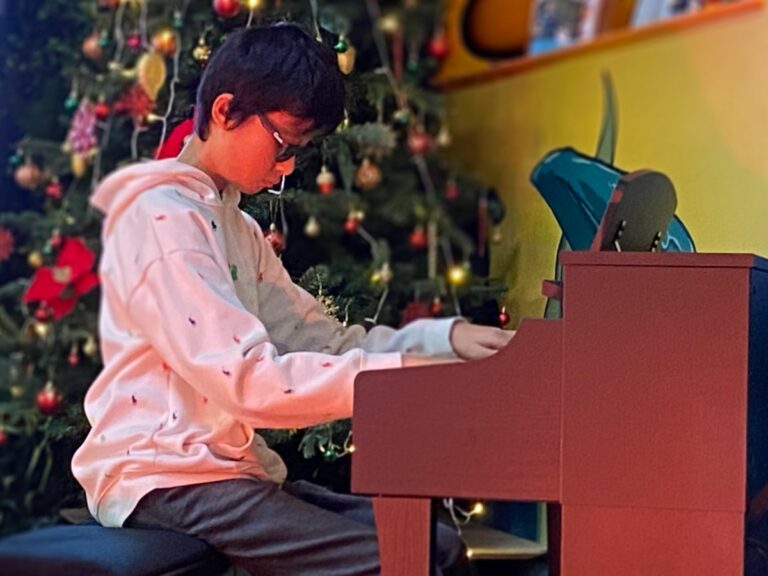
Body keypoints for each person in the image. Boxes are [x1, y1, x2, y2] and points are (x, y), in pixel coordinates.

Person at [71, 23, 514, 576]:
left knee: (437, 547)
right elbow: (248, 381)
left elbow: (319, 337)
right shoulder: (161, 218)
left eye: (297, 154)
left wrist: (443, 340)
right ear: (226, 111)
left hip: (223, 475)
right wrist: (402, 375)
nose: (286, 168)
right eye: (283, 144)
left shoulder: (235, 226)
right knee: (400, 560)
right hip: (164, 478)